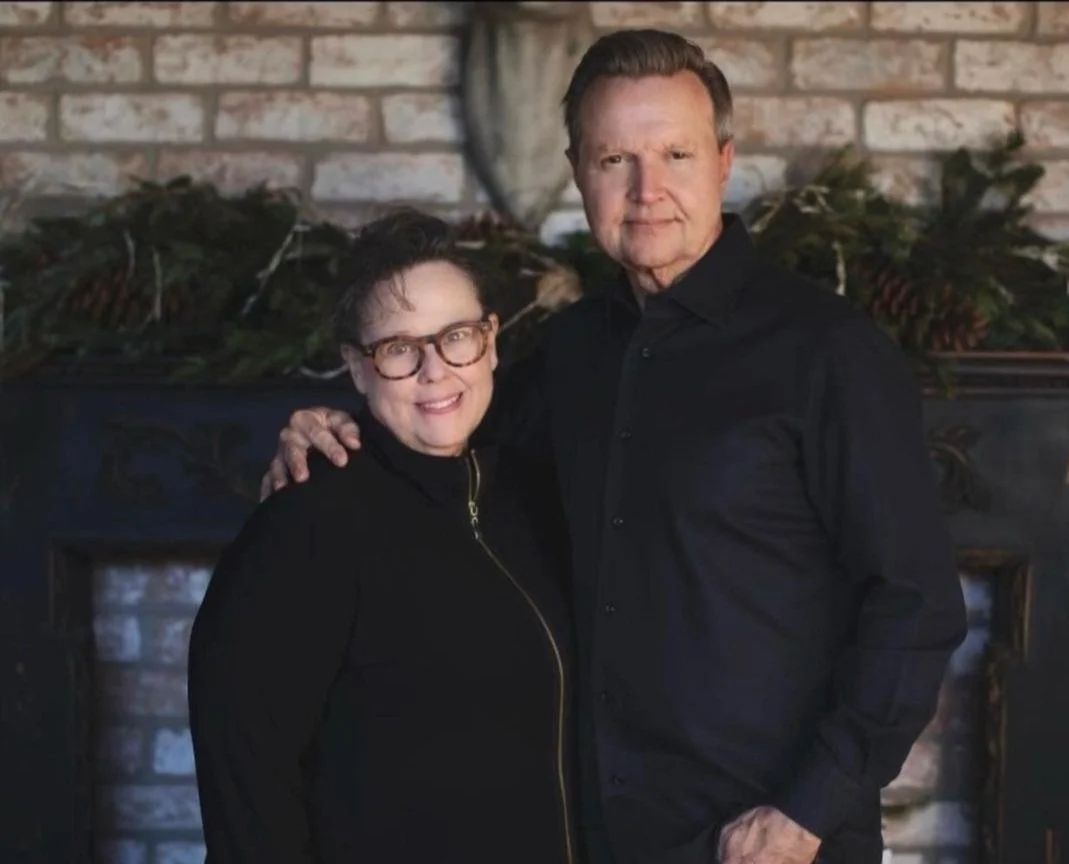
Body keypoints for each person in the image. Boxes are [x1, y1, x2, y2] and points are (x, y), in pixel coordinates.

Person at [259, 29, 967, 864]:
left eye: (675, 153)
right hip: (593, 838)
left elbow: (916, 604)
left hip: (772, 844)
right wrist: (338, 431)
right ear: (577, 173)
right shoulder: (570, 353)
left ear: (724, 161)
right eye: (613, 161)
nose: (647, 190)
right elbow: (447, 458)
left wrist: (805, 812)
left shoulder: (829, 353)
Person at [187, 209, 578, 864]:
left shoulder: (535, 500)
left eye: (455, 336)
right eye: (399, 348)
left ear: (490, 340)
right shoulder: (305, 528)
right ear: (358, 367)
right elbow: (245, 792)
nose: (435, 370)